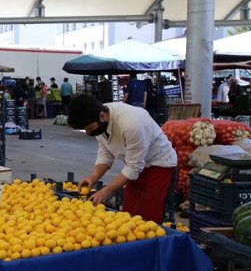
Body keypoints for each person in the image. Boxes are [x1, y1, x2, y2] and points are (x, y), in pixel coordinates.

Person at [67, 93, 177, 223]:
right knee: (129, 214)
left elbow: (133, 167)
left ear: (102, 116)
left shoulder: (132, 124)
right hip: (136, 166)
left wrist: (107, 191)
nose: (88, 133)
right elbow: (105, 153)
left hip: (159, 166)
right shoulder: (97, 116)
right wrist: (94, 177)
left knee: (147, 219)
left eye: (89, 128)